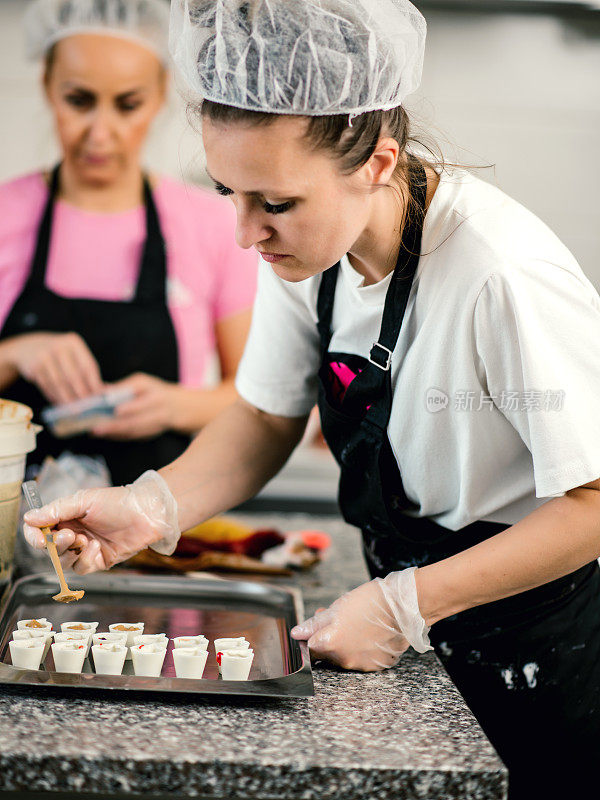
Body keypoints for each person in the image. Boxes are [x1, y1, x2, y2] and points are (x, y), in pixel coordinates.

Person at [23, 1, 600, 797]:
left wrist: (404, 605)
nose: (243, 234)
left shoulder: (499, 273)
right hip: (407, 621)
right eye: (229, 191)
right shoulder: (310, 250)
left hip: (536, 644)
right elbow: (264, 416)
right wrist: (152, 506)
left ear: (377, 163)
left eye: (275, 203)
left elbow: (593, 503)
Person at [0, 0, 257, 484]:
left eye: (127, 105)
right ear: (47, 88)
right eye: (78, 101)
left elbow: (257, 398)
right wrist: (16, 354)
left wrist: (174, 407)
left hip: (153, 541)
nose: (101, 133)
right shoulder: (4, 214)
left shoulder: (216, 224)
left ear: (160, 95)